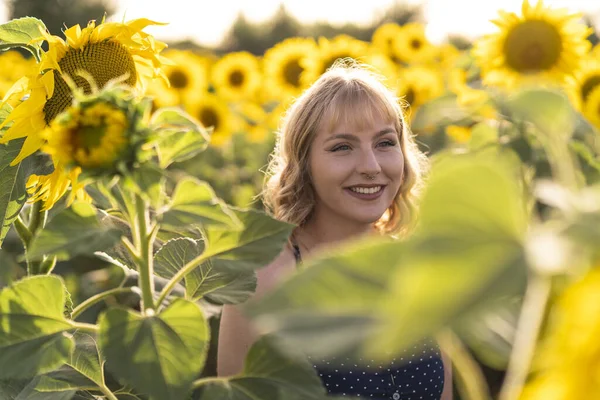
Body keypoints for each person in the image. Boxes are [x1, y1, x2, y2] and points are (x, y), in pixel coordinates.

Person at [217, 60, 453, 400]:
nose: (371, 167)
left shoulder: (422, 268)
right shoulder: (262, 281)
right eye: (343, 147)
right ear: (304, 163)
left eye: (385, 143)